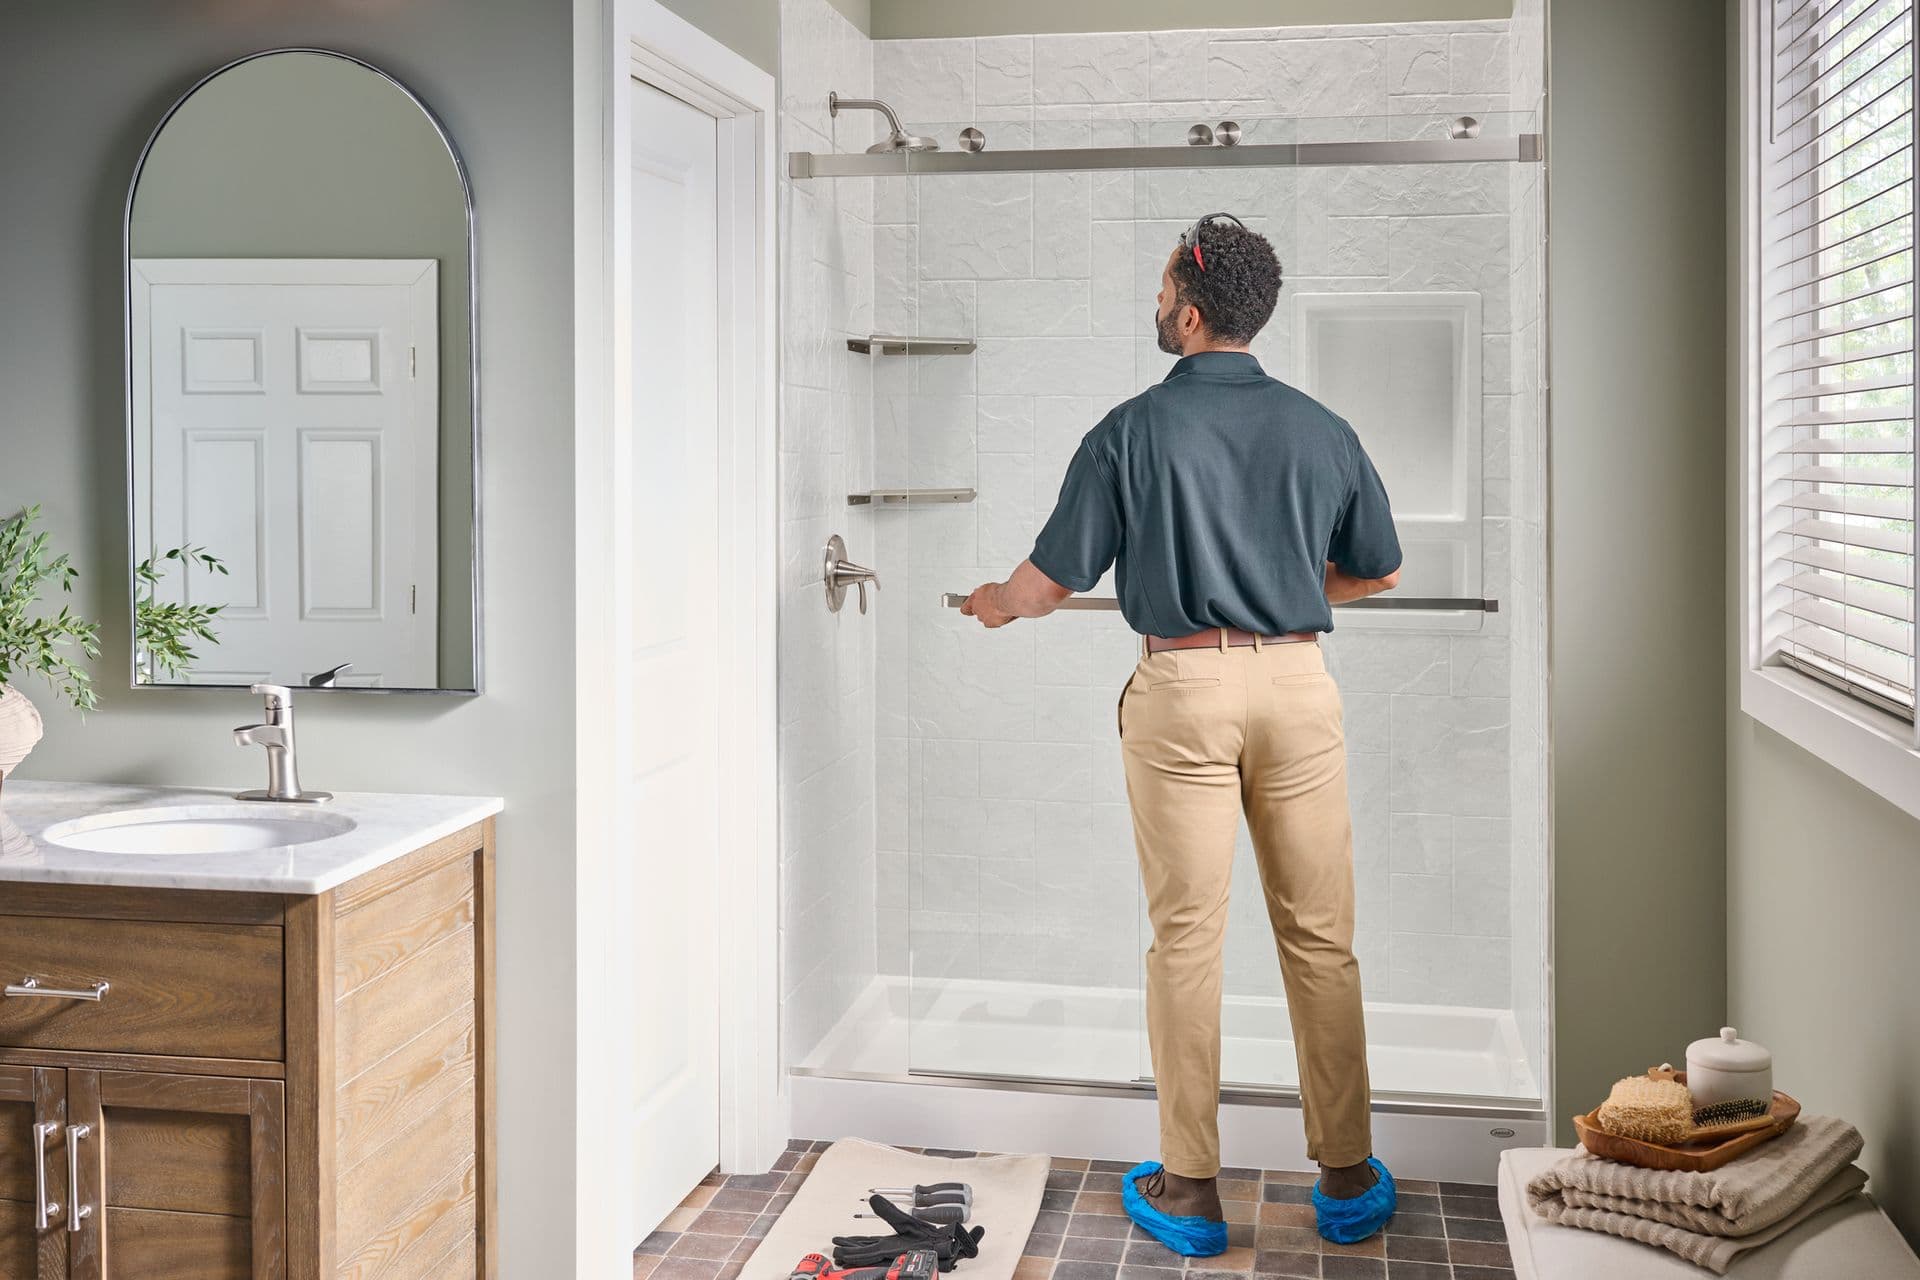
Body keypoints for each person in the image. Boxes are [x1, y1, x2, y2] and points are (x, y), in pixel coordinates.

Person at [958, 212, 1403, 1252]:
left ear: (1192, 312)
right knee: (1321, 937)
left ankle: (1192, 1186)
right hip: (1299, 686)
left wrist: (990, 599)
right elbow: (1377, 568)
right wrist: (1290, 589)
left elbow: (1046, 583)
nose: (1156, 307)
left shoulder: (1129, 430)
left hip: (1184, 688)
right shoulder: (1323, 428)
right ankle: (1344, 1177)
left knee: (1189, 941)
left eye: (1162, 293)